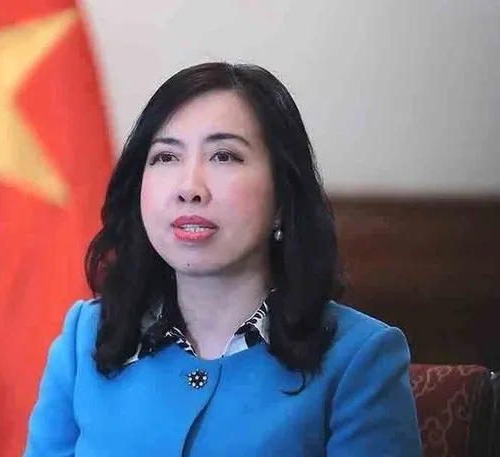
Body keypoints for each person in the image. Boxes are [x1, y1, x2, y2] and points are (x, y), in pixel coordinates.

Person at [22, 62, 422, 457]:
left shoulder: (360, 360)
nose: (189, 188)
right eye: (165, 157)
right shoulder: (85, 338)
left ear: (282, 200)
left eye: (224, 156)